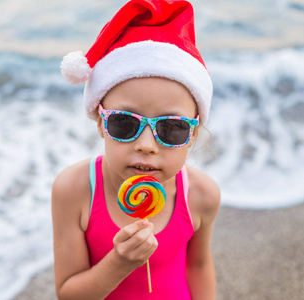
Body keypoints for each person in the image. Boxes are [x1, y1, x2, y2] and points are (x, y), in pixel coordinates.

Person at [52, 0, 220, 299]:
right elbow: (68, 293)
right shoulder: (74, 189)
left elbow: (199, 267)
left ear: (193, 133)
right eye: (124, 123)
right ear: (101, 123)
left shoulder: (201, 194)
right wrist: (119, 264)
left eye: (171, 128)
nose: (145, 145)